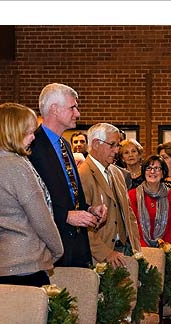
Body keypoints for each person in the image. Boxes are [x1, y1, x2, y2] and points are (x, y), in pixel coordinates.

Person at [0, 102, 63, 287]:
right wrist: (57, 249)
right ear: (13, 132)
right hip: (25, 265)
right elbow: (40, 217)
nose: (32, 138)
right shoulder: (16, 165)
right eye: (29, 132)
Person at [28, 83, 105, 267]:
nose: (77, 113)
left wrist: (88, 210)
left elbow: (68, 194)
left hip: (75, 244)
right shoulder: (33, 146)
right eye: (73, 107)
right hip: (51, 245)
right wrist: (65, 216)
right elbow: (31, 202)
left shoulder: (65, 145)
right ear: (54, 109)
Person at [78, 122, 143, 267]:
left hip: (125, 250)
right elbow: (82, 225)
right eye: (112, 145)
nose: (116, 150)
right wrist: (105, 253)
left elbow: (129, 213)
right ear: (96, 144)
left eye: (118, 145)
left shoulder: (116, 172)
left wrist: (136, 248)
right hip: (101, 256)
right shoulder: (82, 175)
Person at [129, 155, 171, 246]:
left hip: (165, 248)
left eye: (157, 168)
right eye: (148, 168)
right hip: (139, 248)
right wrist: (144, 249)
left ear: (163, 173)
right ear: (143, 172)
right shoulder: (132, 195)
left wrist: (163, 247)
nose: (152, 171)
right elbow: (133, 226)